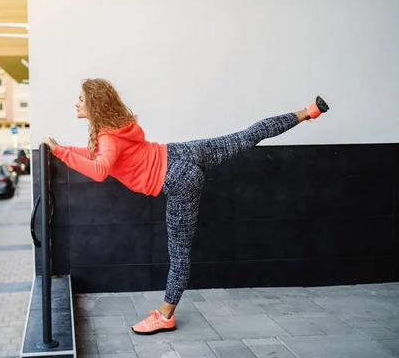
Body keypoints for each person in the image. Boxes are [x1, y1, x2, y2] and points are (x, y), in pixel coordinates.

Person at [40, 78, 329, 336]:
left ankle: (165, 316)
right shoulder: (118, 126)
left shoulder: (107, 136)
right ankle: (308, 111)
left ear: (93, 103)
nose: (76, 103)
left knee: (179, 253)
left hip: (178, 179)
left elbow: (100, 170)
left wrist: (59, 151)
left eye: (80, 98)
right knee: (245, 136)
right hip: (181, 151)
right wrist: (61, 149)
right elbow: (96, 155)